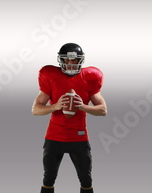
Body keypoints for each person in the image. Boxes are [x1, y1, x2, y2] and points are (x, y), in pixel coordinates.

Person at [32, 43, 107, 193]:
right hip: (54, 136)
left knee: (86, 179)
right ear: (61, 60)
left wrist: (83, 106)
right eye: (67, 60)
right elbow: (36, 110)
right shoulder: (51, 76)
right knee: (48, 178)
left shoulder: (89, 77)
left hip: (79, 136)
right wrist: (55, 106)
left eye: (74, 60)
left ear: (81, 60)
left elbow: (103, 110)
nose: (71, 63)